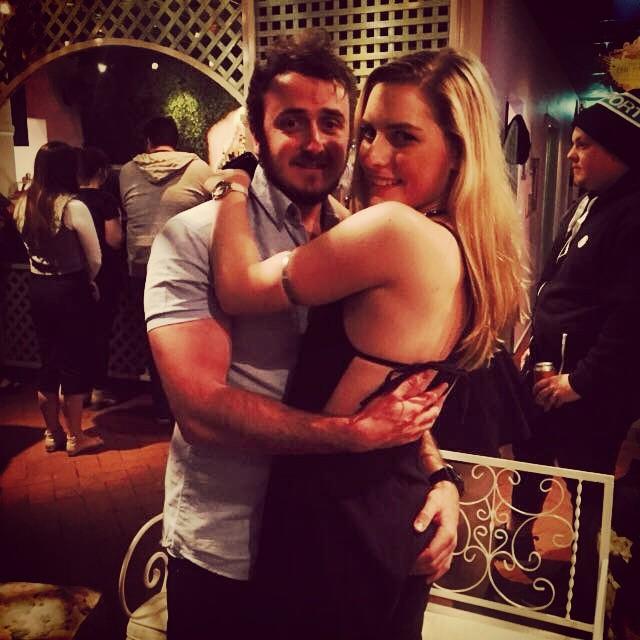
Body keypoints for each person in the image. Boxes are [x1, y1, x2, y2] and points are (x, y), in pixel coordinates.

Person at [145, 31, 455, 640]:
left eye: (332, 122)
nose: (315, 142)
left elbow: (387, 385)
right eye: (291, 122)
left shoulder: (360, 239)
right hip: (226, 551)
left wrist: (439, 475)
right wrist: (348, 436)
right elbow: (199, 410)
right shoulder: (194, 237)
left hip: (327, 551)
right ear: (257, 133)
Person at [211, 47, 526, 638]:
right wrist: (441, 476)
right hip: (392, 504)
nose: (374, 156)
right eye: (370, 132)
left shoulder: (394, 231)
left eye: (403, 137)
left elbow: (237, 287)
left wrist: (231, 178)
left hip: (331, 517)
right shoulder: (468, 248)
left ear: (458, 151)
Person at [513, 88, 640, 621]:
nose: (571, 153)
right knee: (528, 466)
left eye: (584, 144)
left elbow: (630, 322)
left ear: (620, 151)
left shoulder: (632, 215)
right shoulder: (589, 201)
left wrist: (578, 383)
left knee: (588, 493)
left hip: (587, 394)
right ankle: (519, 561)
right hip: (549, 373)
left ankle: (586, 601)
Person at [11, 142, 104, 456]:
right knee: (73, 363)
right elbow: (95, 257)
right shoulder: (72, 207)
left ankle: (52, 433)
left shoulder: (23, 204)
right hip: (69, 287)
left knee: (47, 361)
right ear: (68, 169)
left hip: (38, 287)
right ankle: (77, 437)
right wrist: (88, 281)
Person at [119, 115, 214, 422]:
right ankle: (191, 408)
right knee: (191, 337)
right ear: (176, 141)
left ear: (148, 142)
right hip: (184, 266)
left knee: (155, 341)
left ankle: (163, 408)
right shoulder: (199, 169)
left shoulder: (127, 171)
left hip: (140, 267)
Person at [76, 146, 124, 407]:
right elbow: (114, 240)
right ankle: (99, 388)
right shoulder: (106, 201)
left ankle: (80, 389)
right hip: (104, 275)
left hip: (75, 274)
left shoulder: (71, 201)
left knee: (80, 332)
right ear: (103, 172)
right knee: (101, 332)